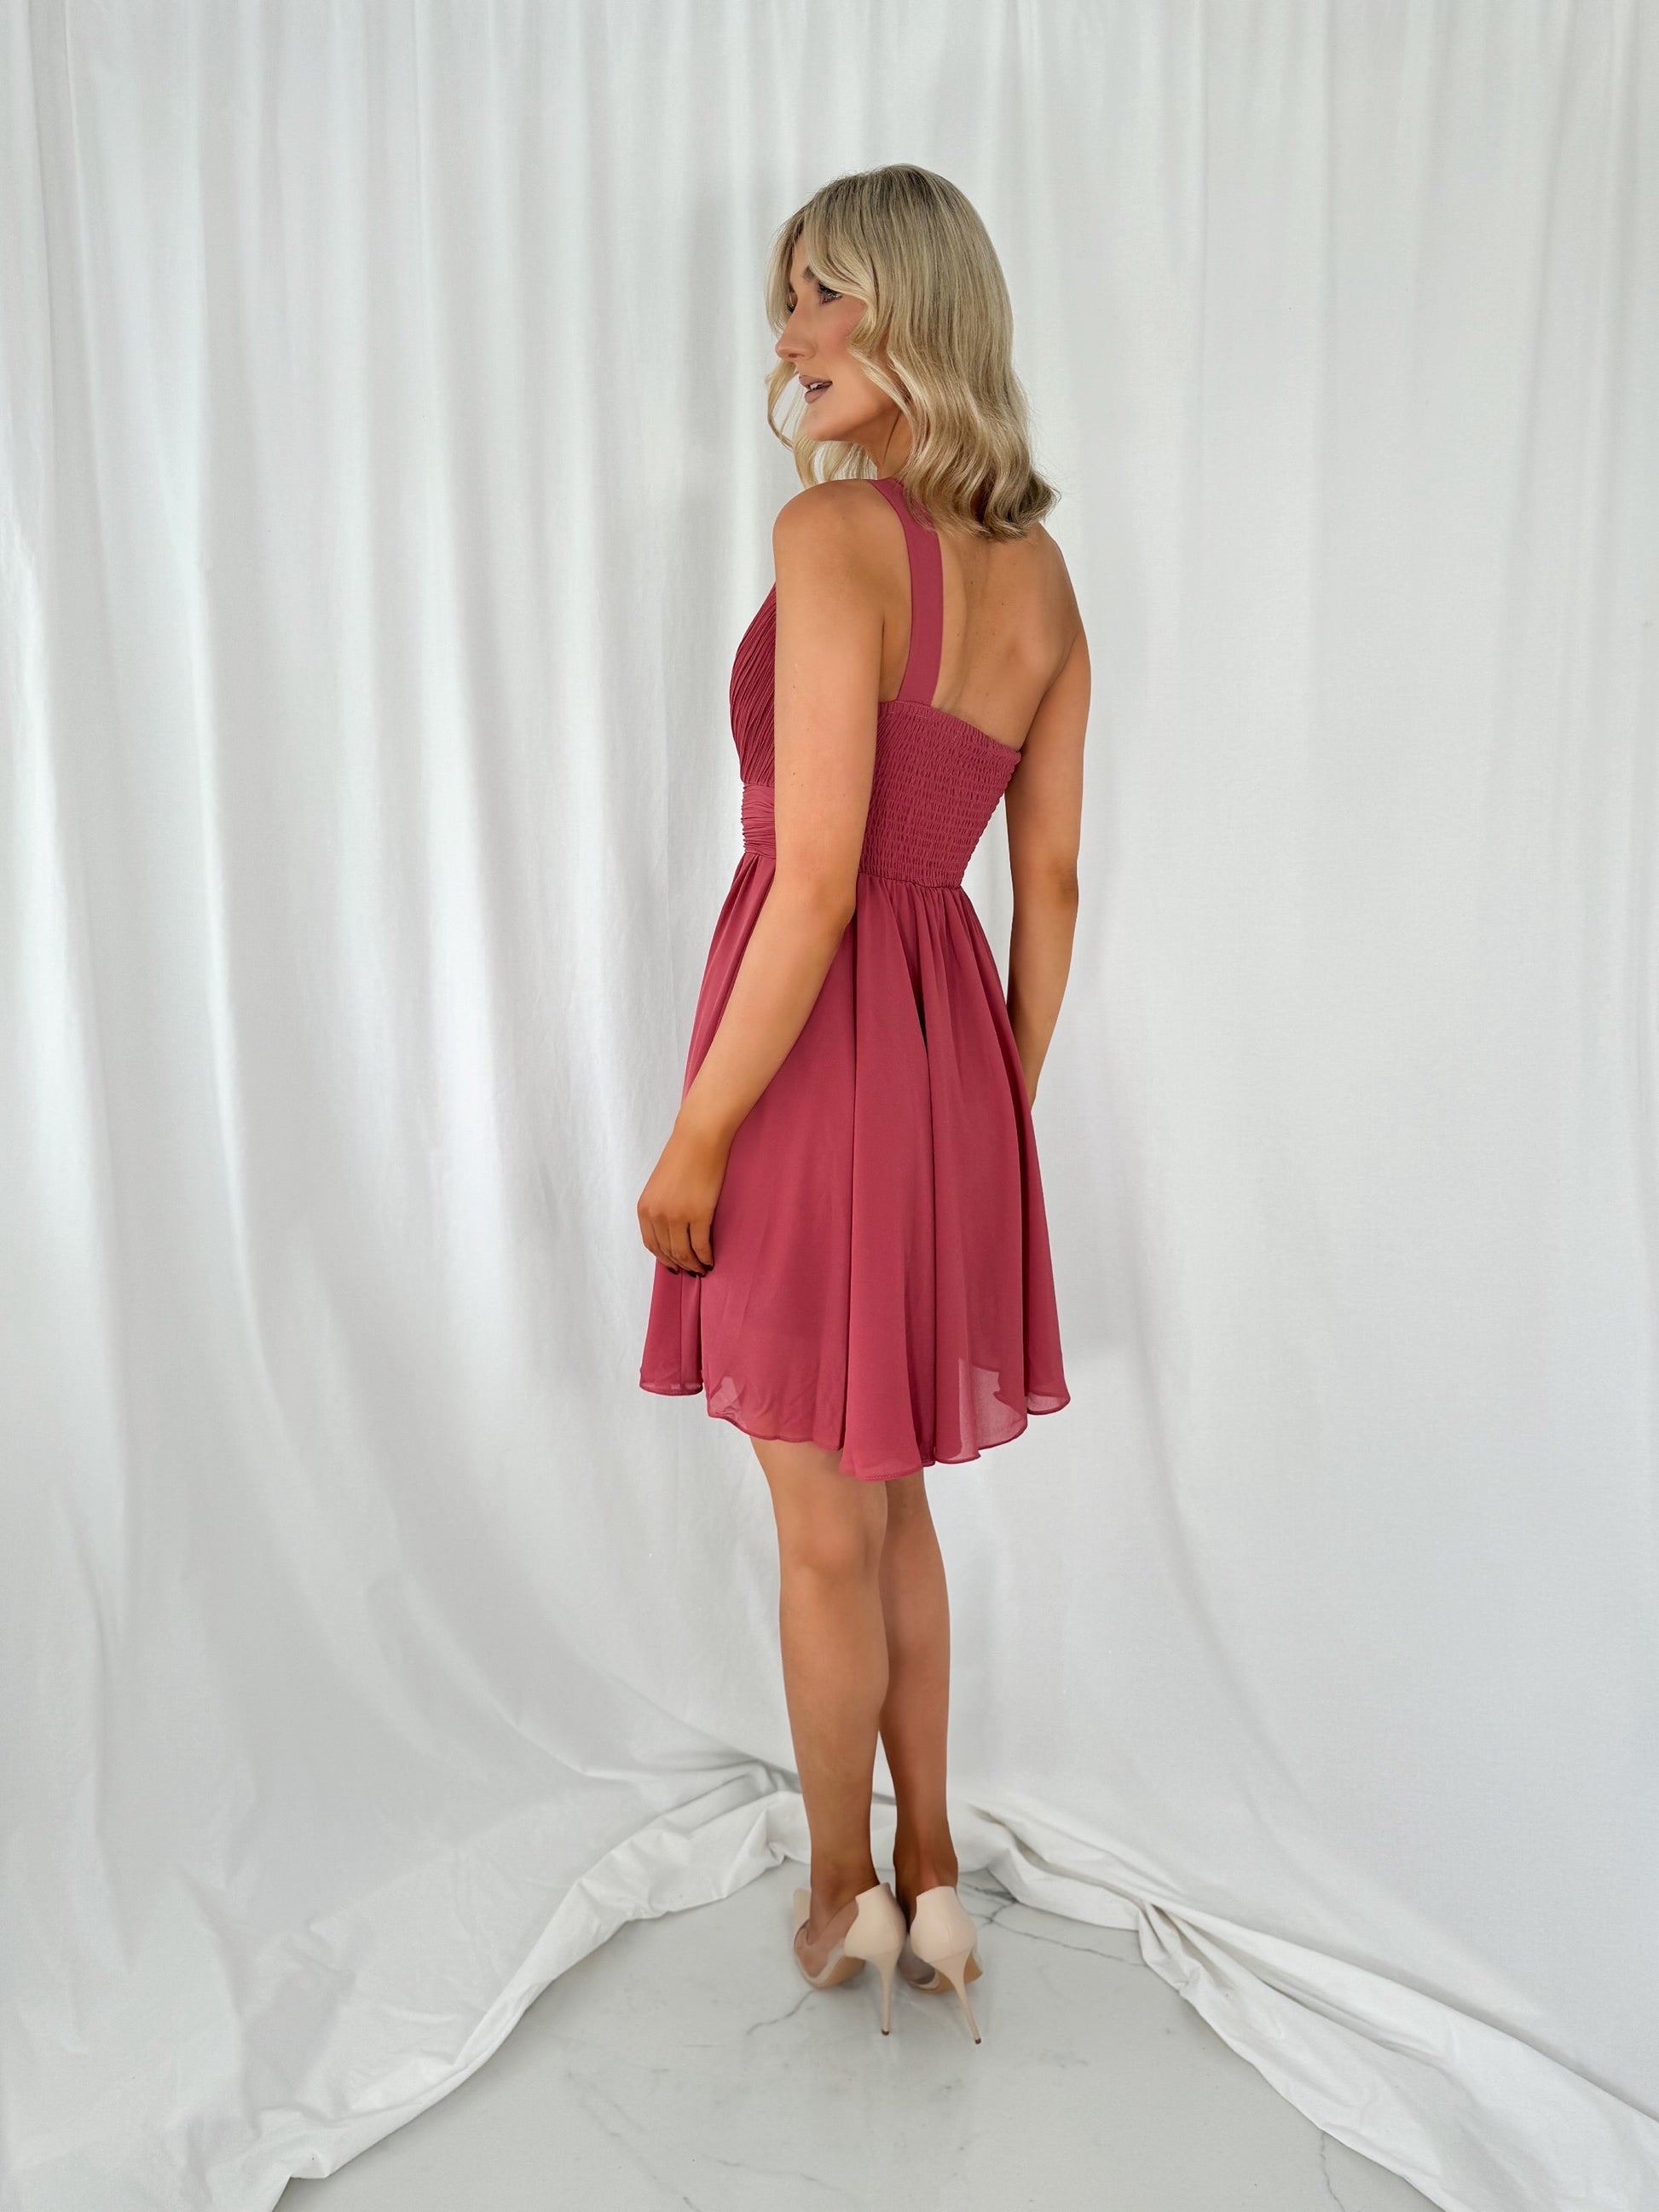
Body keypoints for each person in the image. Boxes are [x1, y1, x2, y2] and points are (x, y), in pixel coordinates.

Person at [636, 165, 1087, 2040]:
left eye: (823, 298)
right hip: (947, 1073)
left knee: (822, 1521)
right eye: (787, 301)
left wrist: (700, 1134)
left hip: (804, 1058)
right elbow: (1044, 888)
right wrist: (985, 1103)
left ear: (911, 315)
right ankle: (931, 1878)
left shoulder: (832, 542)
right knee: (891, 1507)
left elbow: (813, 880)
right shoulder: (1044, 574)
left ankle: (836, 1893)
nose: (790, 333)